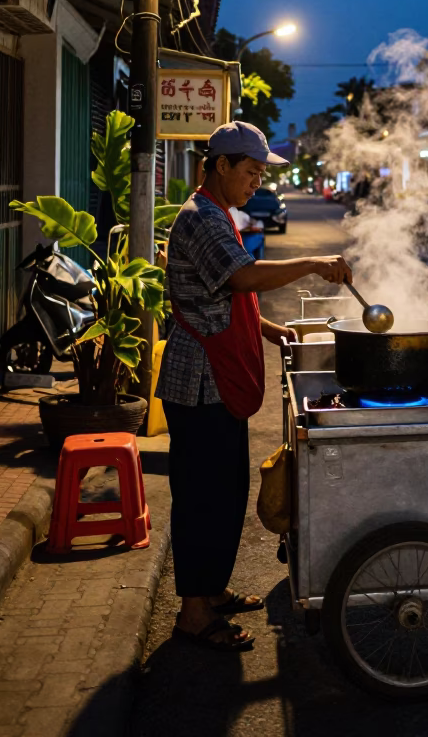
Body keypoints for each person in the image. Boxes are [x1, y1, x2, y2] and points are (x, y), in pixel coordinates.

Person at [157, 120, 352, 653]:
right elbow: (241, 278)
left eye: (261, 174)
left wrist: (266, 328)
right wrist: (314, 263)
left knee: (225, 492)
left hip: (216, 378)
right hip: (198, 380)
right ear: (220, 166)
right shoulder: (201, 217)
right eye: (250, 172)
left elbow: (220, 292)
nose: (255, 184)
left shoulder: (220, 214)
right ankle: (194, 614)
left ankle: (212, 591)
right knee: (202, 496)